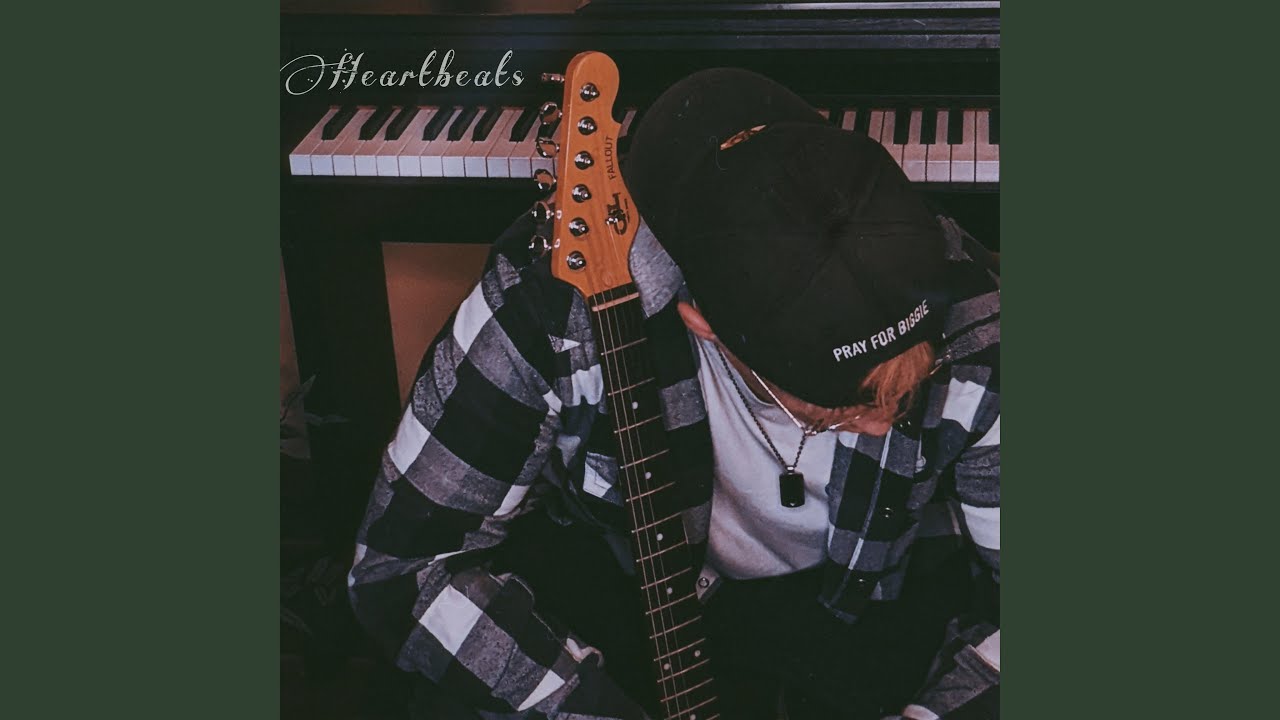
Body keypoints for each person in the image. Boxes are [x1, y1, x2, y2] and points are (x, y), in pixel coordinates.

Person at [347, 68, 1000, 720]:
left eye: (907, 391)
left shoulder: (982, 326)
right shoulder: (553, 304)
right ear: (705, 323)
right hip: (630, 593)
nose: (883, 425)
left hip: (861, 607)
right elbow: (403, 571)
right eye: (837, 408)